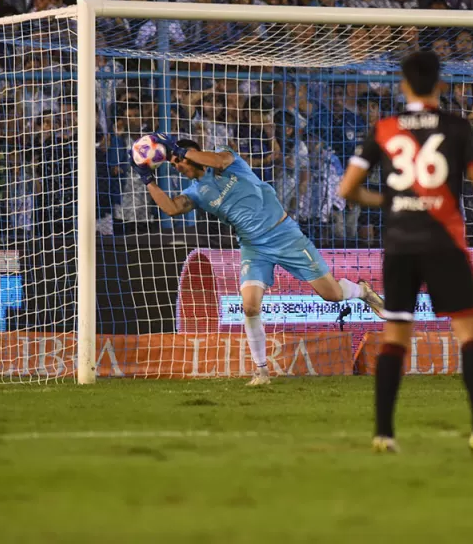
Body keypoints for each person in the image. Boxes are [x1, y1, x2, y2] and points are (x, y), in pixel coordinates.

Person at [337, 50, 473, 456]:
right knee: (470, 335)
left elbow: (346, 189)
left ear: (403, 84)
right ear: (441, 84)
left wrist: (387, 201)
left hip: (400, 244)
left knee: (395, 336)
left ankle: (384, 434)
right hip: (444, 243)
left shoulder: (384, 127)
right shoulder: (456, 126)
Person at [131, 132, 385, 386]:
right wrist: (148, 179)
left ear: (192, 153)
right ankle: (261, 371)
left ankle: (362, 291)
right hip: (253, 247)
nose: (177, 167)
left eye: (178, 162)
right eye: (174, 164)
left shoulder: (227, 158)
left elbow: (218, 162)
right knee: (250, 307)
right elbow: (172, 208)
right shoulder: (196, 192)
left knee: (332, 294)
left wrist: (179, 150)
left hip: (285, 235)